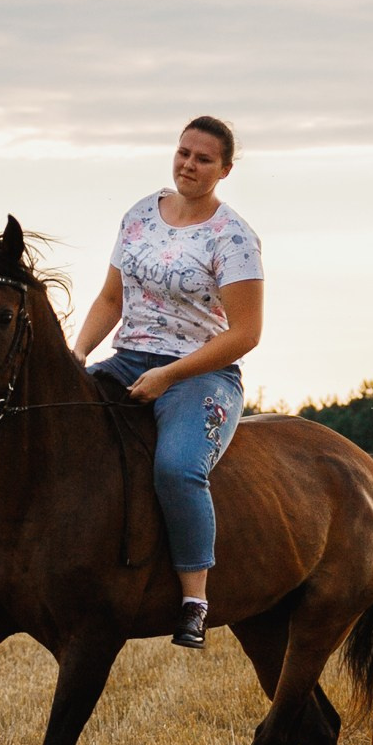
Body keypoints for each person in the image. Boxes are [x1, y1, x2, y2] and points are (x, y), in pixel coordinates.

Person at [74, 115, 264, 649]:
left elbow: (247, 332)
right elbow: (111, 299)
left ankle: (193, 600)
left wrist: (170, 375)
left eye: (204, 159)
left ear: (224, 171)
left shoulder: (235, 237)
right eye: (184, 153)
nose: (189, 165)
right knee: (59, 423)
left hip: (200, 374)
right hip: (126, 358)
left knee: (177, 468)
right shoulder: (139, 215)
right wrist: (79, 353)